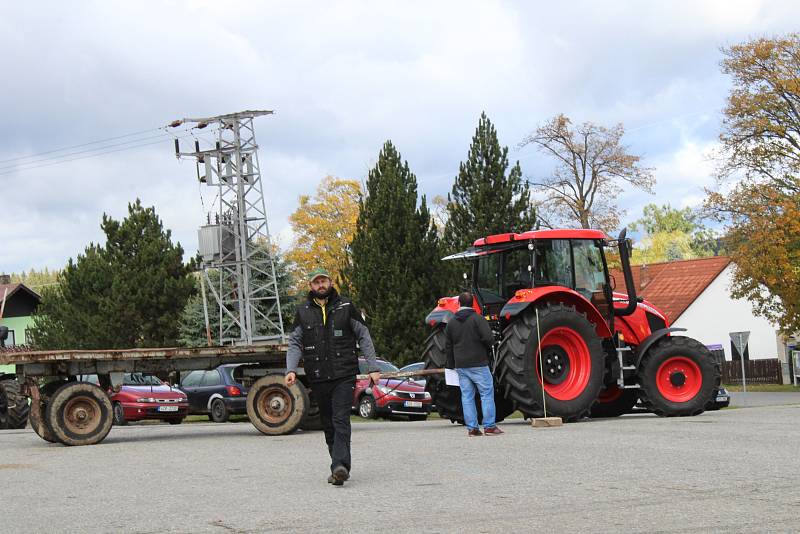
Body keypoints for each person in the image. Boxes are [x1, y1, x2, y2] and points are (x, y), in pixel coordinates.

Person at [285, 267, 381, 486]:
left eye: (324, 281)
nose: (321, 285)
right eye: (316, 282)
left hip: (344, 374)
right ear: (310, 286)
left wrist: (373, 367)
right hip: (318, 375)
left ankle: (340, 465)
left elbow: (363, 336)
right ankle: (338, 466)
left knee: (340, 419)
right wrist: (290, 369)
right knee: (328, 423)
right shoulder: (303, 311)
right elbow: (295, 343)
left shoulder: (347, 306)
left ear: (330, 282)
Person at [444, 291, 503, 437]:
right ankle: (489, 426)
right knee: (486, 394)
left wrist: (451, 365)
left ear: (459, 304)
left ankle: (472, 428)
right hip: (479, 363)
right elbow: (489, 339)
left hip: (461, 365)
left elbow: (448, 346)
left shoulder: (451, 323)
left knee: (467, 396)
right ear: (472, 303)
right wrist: (490, 347)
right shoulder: (478, 319)